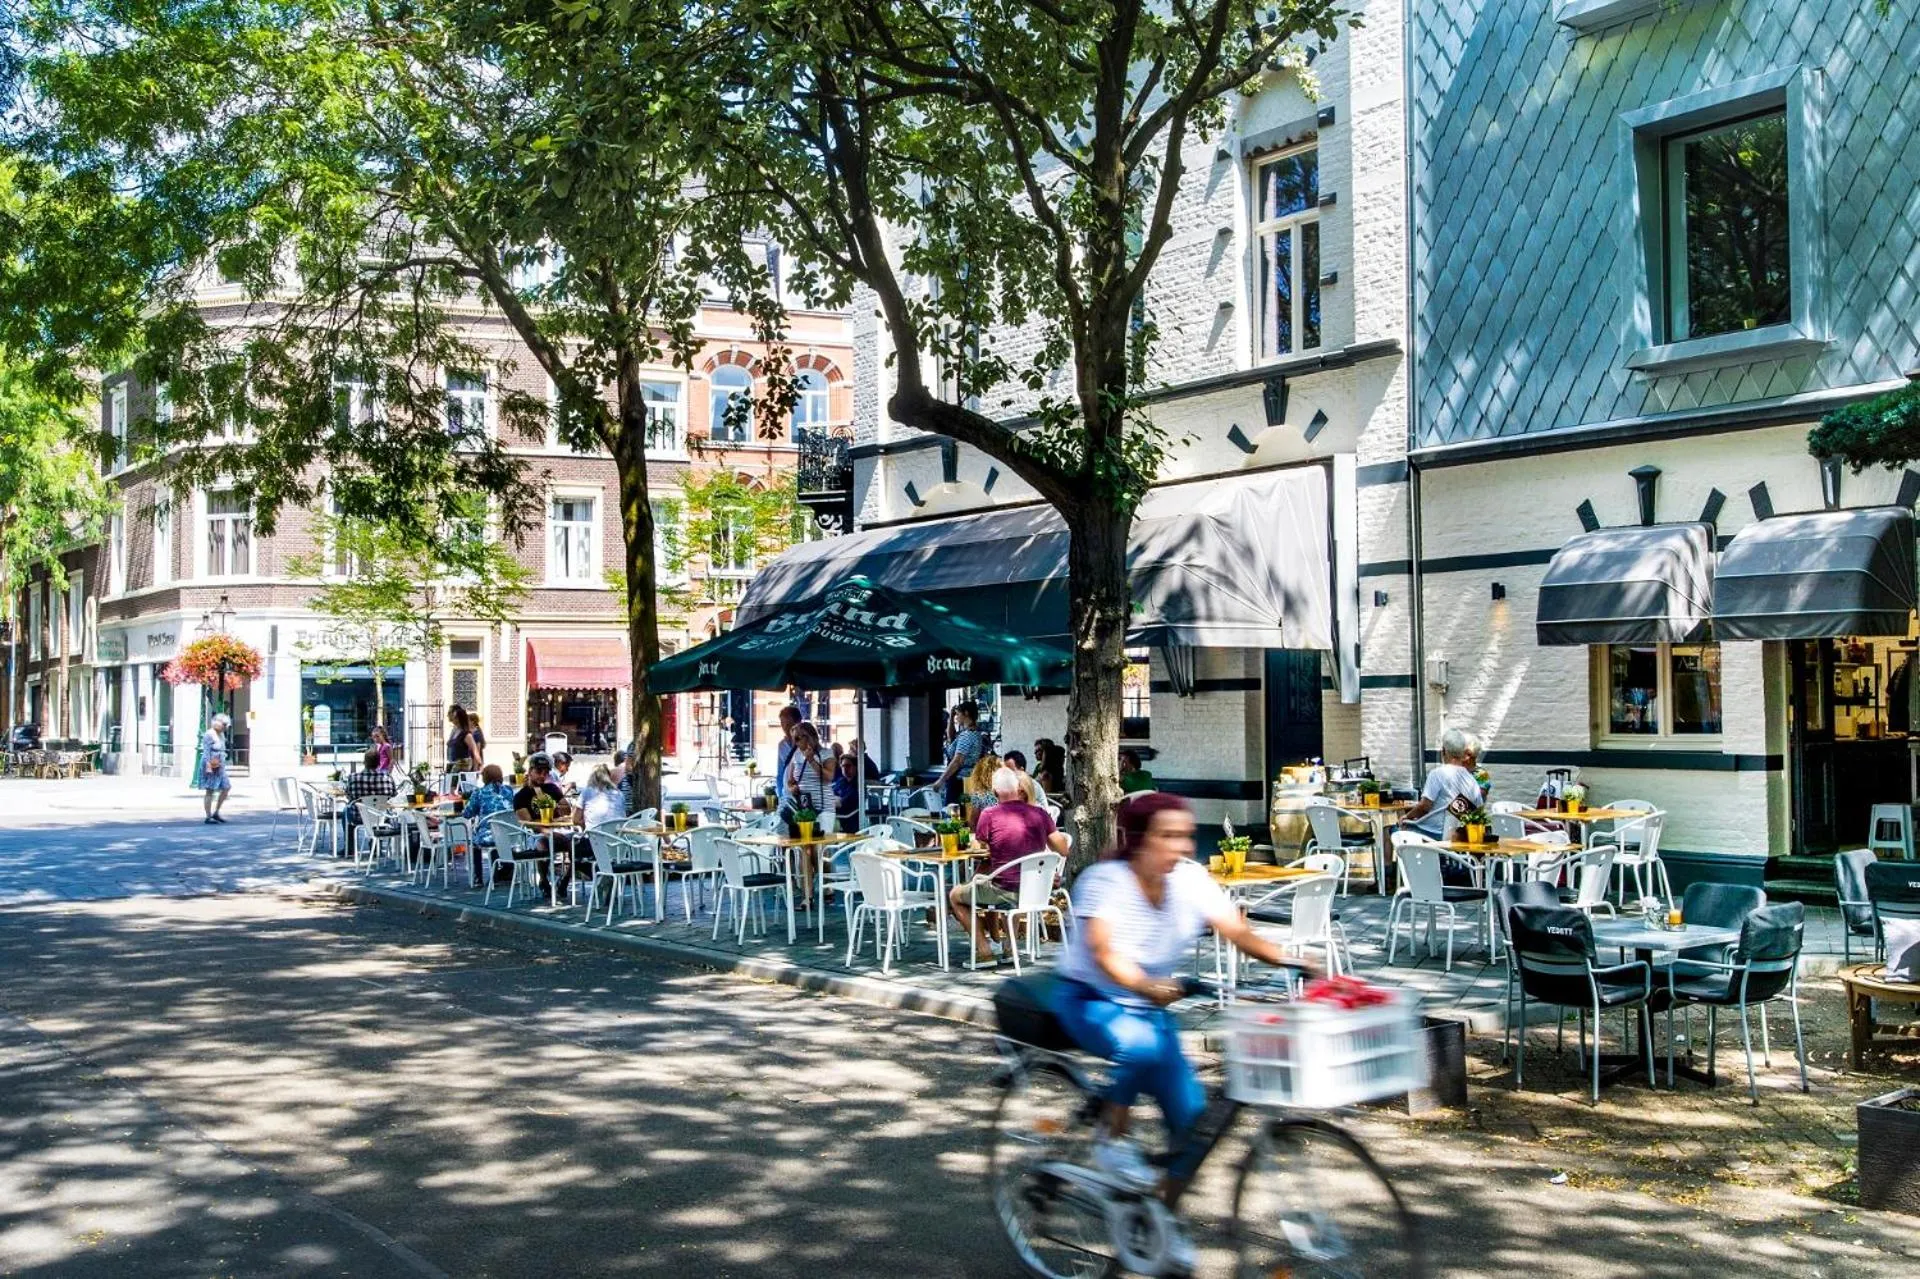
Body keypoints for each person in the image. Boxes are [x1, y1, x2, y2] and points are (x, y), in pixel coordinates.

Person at [1050, 792, 1305, 1200]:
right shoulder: (1105, 880)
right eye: (1168, 836)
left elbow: (1236, 931)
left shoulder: (1189, 879)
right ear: (1138, 839)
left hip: (1149, 1010)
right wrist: (1146, 985)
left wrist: (1291, 961)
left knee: (1193, 1125)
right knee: (1139, 1044)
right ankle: (1110, 1142)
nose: (1183, 846)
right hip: (1090, 998)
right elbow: (1103, 951)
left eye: (1185, 836)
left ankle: (1157, 1226)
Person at [952, 767, 1070, 963]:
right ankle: (1009, 949)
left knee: (955, 895)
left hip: (1004, 890)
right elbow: (1063, 849)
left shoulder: (989, 814)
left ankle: (984, 952)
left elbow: (978, 848)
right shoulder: (1040, 814)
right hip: (1035, 889)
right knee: (1013, 882)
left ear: (995, 792)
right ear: (1018, 788)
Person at [514, 755, 580, 894]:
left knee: (579, 845)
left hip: (559, 831)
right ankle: (544, 881)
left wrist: (558, 806)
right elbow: (528, 823)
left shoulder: (551, 788)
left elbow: (567, 810)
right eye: (539, 771)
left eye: (546, 772)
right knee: (543, 844)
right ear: (530, 771)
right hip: (535, 835)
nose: (542, 776)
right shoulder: (522, 795)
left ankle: (565, 880)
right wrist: (546, 830)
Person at [1402, 727, 1484, 839]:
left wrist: (1407, 817)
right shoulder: (1472, 781)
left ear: (1444, 751)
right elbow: (1478, 810)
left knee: (1392, 830)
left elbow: (1425, 807)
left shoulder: (1437, 774)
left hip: (1430, 834)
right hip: (1455, 837)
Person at [461, 764, 517, 886]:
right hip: (511, 834)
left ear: (484, 778)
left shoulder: (479, 793)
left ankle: (478, 878)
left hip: (489, 835)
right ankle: (504, 871)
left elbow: (467, 813)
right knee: (499, 837)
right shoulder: (509, 790)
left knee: (475, 842)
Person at [342, 746, 397, 850]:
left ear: (364, 762)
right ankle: (376, 844)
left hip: (358, 816)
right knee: (382, 811)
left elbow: (348, 795)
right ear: (379, 763)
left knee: (346, 810)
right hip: (381, 817)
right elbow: (393, 795)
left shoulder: (353, 778)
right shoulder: (387, 778)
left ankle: (350, 847)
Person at [935, 702, 986, 805]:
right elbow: (951, 738)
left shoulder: (966, 736)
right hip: (968, 779)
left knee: (954, 812)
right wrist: (951, 717)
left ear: (966, 713)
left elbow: (957, 761)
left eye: (958, 714)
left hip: (959, 781)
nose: (956, 717)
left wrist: (941, 780)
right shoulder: (975, 733)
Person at [196, 713, 234, 824]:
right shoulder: (209, 734)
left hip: (220, 765)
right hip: (211, 764)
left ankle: (216, 812)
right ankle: (208, 816)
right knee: (210, 790)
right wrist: (208, 766)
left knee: (226, 787)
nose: (225, 727)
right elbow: (207, 751)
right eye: (224, 724)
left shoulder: (221, 735)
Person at [579, 764, 628, 828]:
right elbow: (622, 815)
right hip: (616, 836)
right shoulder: (619, 793)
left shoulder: (587, 791)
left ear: (592, 777)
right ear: (609, 777)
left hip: (594, 836)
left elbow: (576, 820)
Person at [773, 705, 802, 802]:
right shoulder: (782, 745)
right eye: (782, 724)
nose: (785, 728)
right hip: (787, 794)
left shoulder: (807, 742)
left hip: (803, 792)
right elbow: (780, 771)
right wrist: (780, 795)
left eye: (788, 724)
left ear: (797, 722)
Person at [447, 705, 483, 772]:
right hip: (453, 764)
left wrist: (479, 765)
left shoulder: (466, 734)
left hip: (462, 766)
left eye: (455, 717)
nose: (453, 719)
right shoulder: (455, 731)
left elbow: (475, 750)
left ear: (459, 719)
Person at [830, 752, 862, 823]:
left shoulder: (858, 784)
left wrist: (835, 799)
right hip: (836, 816)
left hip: (849, 819)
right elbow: (829, 795)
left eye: (848, 766)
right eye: (843, 766)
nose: (845, 768)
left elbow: (841, 803)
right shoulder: (841, 781)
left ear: (855, 767)